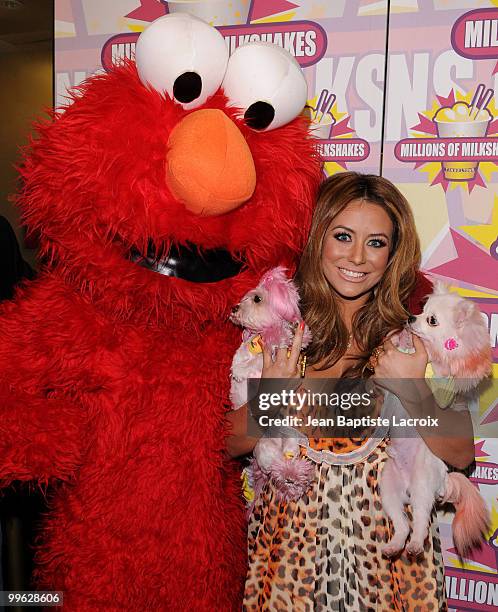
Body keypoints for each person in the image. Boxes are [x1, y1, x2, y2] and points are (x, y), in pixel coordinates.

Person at [227, 172, 475, 611]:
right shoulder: (277, 330)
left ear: (393, 253)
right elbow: (225, 442)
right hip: (289, 566)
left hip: (389, 568)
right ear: (318, 236)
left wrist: (413, 390)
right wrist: (272, 398)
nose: (357, 257)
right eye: (343, 237)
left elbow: (460, 452)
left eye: (376, 243)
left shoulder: (413, 337)